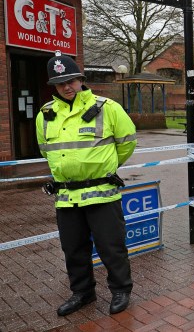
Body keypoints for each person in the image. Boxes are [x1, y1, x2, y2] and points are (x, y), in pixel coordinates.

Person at [35, 51, 137, 316]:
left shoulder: (108, 107)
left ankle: (121, 290)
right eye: (60, 83)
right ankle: (83, 292)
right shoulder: (45, 114)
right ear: (54, 86)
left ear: (81, 79)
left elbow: (127, 143)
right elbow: (46, 150)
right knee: (73, 249)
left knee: (111, 247)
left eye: (70, 80)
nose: (66, 87)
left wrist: (105, 168)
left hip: (102, 192)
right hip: (66, 196)